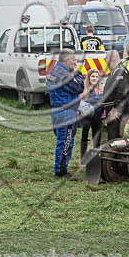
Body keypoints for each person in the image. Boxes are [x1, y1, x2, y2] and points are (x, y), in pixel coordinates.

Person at [47, 49, 84, 178]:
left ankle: (61, 167)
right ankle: (61, 171)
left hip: (57, 110)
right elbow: (79, 87)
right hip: (66, 112)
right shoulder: (64, 74)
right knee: (66, 142)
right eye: (74, 60)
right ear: (67, 60)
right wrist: (78, 73)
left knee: (63, 140)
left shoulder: (54, 71)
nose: (75, 62)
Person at [79, 68, 104, 159]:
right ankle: (83, 156)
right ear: (89, 77)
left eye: (97, 77)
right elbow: (81, 101)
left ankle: (96, 156)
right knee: (85, 133)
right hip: (87, 115)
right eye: (93, 76)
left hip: (98, 115)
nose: (95, 78)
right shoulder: (85, 89)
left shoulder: (101, 88)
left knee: (96, 135)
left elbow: (104, 99)